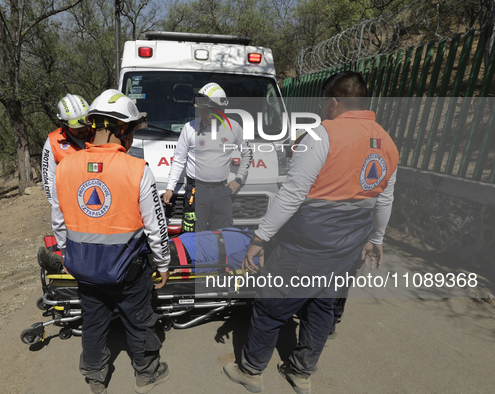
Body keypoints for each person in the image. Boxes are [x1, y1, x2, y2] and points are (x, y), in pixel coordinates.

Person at [222, 71, 399, 394]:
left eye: (322, 101)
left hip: (305, 246)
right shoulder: (387, 141)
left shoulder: (320, 136)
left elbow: (291, 195)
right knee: (321, 306)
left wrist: (259, 239)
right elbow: (384, 199)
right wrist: (376, 239)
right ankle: (302, 372)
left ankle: (250, 370)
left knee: (270, 305)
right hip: (347, 248)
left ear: (333, 101)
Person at [52, 89, 171, 394]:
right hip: (128, 272)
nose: (131, 137)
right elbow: (155, 226)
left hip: (85, 269)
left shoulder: (64, 168)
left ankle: (95, 376)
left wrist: (67, 256)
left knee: (93, 322)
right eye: (131, 129)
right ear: (121, 130)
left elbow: (59, 220)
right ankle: (146, 374)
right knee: (140, 321)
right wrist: (163, 264)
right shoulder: (137, 170)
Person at [162, 82, 252, 232]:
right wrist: (170, 188)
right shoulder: (189, 128)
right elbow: (178, 159)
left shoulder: (233, 127)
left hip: (222, 191)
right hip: (195, 191)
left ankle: (219, 257)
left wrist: (239, 179)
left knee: (223, 235)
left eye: (206, 112)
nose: (201, 115)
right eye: (199, 111)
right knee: (194, 235)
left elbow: (247, 152)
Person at [39, 93, 91, 273]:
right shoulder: (53, 143)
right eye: (78, 127)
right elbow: (50, 185)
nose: (84, 130)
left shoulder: (97, 135)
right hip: (71, 209)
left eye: (86, 123)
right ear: (64, 123)